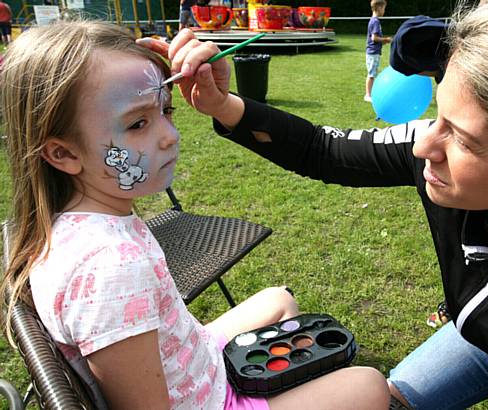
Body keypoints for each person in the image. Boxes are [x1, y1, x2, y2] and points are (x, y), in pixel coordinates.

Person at [141, 0, 488, 407]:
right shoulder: (435, 152)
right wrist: (222, 105)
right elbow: (325, 150)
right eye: (437, 114)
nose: (422, 147)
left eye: (461, 140)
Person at [0, 20, 390, 410]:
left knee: (278, 301)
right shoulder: (112, 269)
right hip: (210, 401)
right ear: (63, 154)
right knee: (370, 385)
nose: (171, 134)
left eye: (165, 110)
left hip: (193, 361)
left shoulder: (67, 223)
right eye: (138, 123)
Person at [364, 0, 391, 102]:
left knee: (373, 73)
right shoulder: (375, 21)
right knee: (371, 74)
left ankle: (370, 93)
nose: (384, 11)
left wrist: (383, 41)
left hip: (373, 52)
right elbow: (374, 38)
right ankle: (368, 95)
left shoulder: (373, 20)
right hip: (373, 52)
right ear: (379, 8)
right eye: (384, 8)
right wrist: (386, 40)